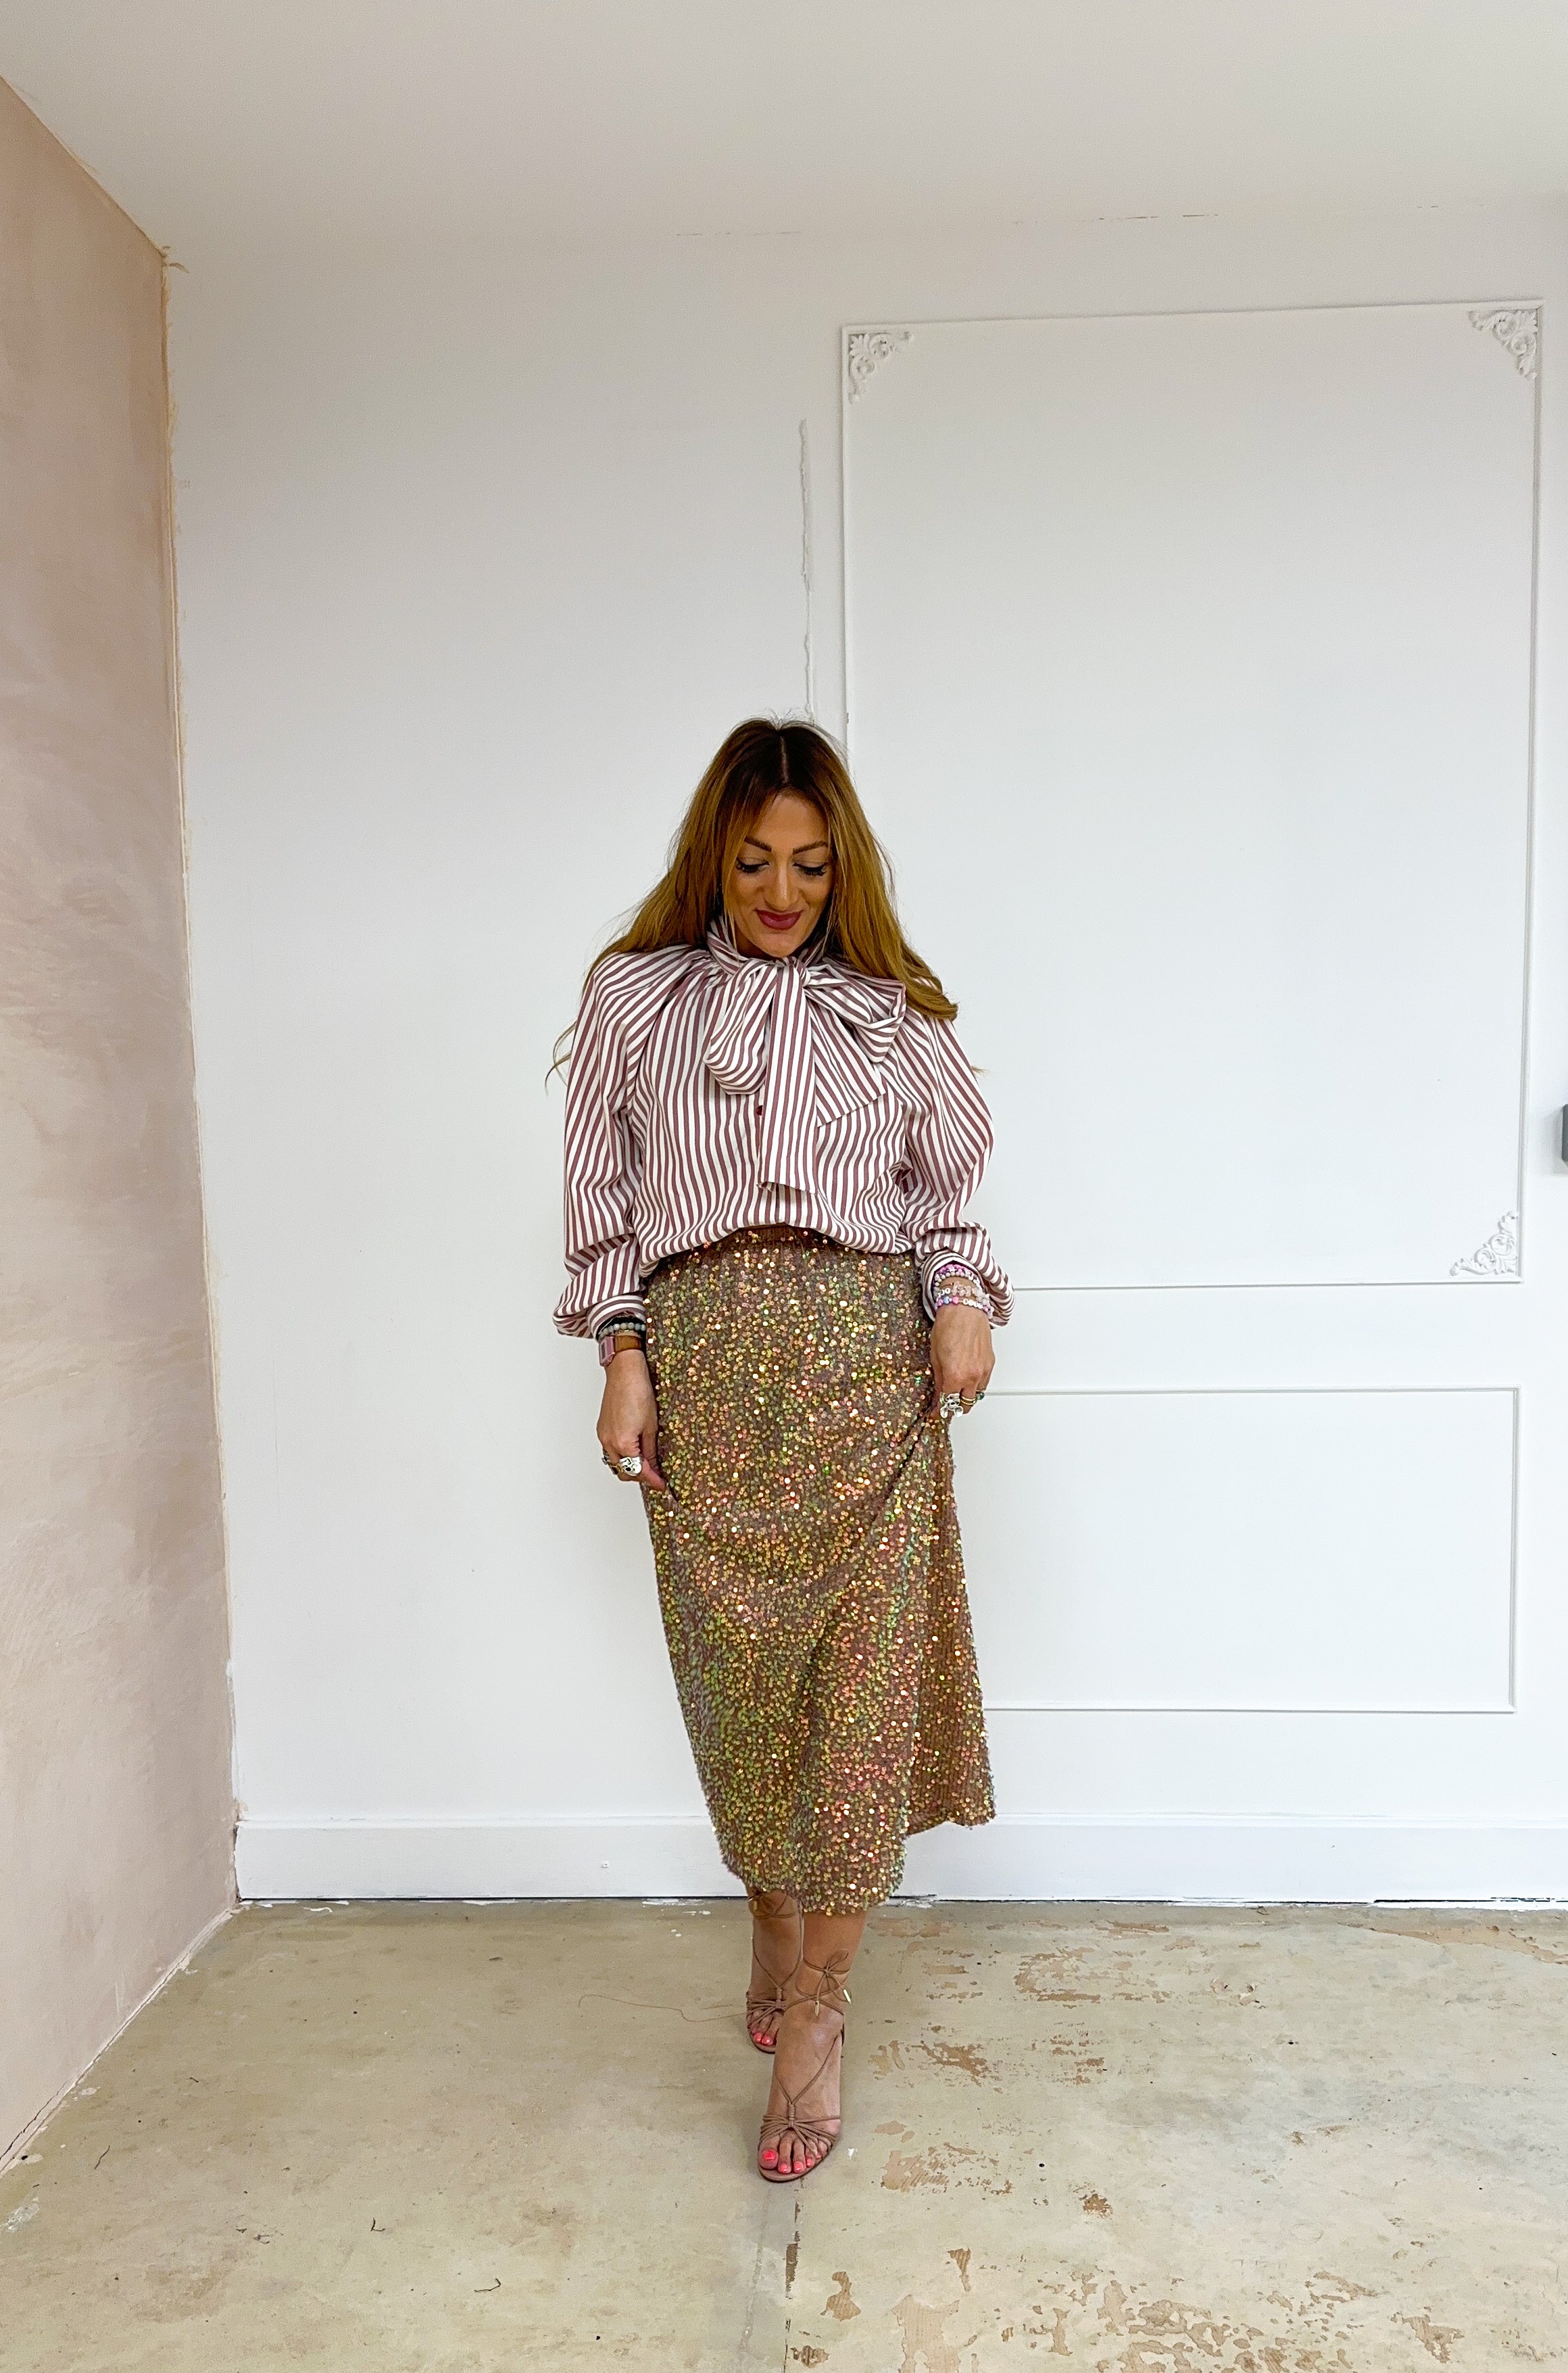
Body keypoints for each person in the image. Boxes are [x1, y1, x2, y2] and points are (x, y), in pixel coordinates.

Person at [554, 717, 1011, 2182]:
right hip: (709, 1378)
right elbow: (602, 1208)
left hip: (866, 1377)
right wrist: (626, 1362)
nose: (779, 890)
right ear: (713, 853)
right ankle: (771, 1914)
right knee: (745, 1700)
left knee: (864, 1705)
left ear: (841, 869)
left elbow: (950, 1209)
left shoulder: (892, 1016)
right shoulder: (634, 999)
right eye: (752, 860)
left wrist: (957, 1305)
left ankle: (815, 2013)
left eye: (810, 866)